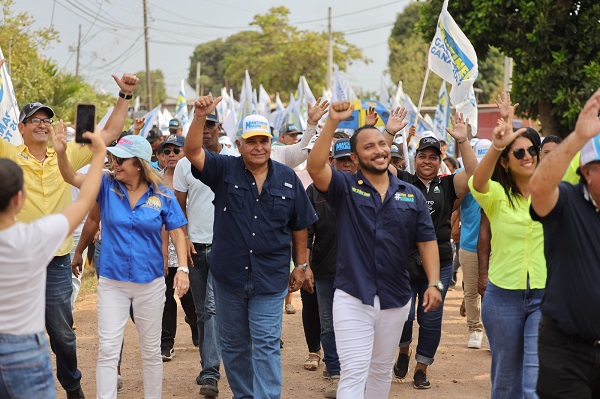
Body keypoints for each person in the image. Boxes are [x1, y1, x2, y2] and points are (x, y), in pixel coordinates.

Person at [0, 72, 138, 399]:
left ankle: (72, 386)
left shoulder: (66, 151)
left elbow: (109, 133)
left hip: (57, 257)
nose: (42, 124)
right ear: (20, 128)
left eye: (46, 120)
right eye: (33, 120)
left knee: (61, 331)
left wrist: (124, 96)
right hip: (16, 259)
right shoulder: (7, 154)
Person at [184, 95, 318, 398]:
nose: (259, 147)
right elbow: (192, 151)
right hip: (228, 277)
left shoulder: (287, 178)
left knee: (267, 342)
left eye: (264, 141)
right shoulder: (223, 169)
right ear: (239, 144)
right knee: (233, 344)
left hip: (270, 279)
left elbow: (300, 224)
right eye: (251, 141)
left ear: (271, 143)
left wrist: (301, 264)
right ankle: (244, 395)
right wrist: (200, 116)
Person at [307, 101, 441, 398]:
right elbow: (315, 167)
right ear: (354, 157)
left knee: (381, 371)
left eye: (382, 144)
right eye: (369, 147)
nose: (379, 150)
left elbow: (427, 240)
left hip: (396, 299)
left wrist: (434, 282)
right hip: (353, 296)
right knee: (354, 371)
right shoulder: (344, 187)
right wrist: (330, 122)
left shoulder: (411, 195)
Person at [57, 133, 189, 399]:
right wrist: (61, 152)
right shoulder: (105, 185)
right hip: (112, 282)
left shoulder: (162, 192)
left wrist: (183, 269)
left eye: (121, 160)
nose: (115, 164)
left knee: (151, 350)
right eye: (114, 158)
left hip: (150, 283)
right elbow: (72, 177)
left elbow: (177, 231)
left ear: (139, 164)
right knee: (108, 348)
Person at [0, 128, 104, 399]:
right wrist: (101, 153)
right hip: (24, 351)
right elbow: (84, 201)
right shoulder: (36, 237)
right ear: (20, 198)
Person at [386, 112, 478, 389]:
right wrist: (389, 133)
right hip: (401, 261)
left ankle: (422, 368)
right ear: (415, 159)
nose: (427, 161)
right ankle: (403, 351)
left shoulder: (449, 184)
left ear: (439, 160)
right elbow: (372, 164)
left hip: (438, 262)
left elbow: (474, 173)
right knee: (401, 315)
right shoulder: (400, 181)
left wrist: (463, 141)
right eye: (422, 156)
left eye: (433, 156)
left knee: (431, 320)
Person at [469, 92, 545, 399]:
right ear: (505, 161)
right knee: (505, 382)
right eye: (518, 153)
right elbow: (477, 183)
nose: (527, 155)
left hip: (544, 296)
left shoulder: (552, 193)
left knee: (534, 382)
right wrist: (498, 142)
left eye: (532, 150)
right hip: (502, 299)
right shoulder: (497, 195)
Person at [529, 88, 600, 398]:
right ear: (586, 172)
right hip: (566, 351)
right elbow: (539, 188)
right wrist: (578, 138)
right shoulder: (568, 202)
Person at [173, 107, 238, 397]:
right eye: (203, 125)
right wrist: (183, 237)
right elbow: (178, 207)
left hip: (225, 247)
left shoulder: (234, 160)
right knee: (200, 312)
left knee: (211, 308)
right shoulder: (184, 165)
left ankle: (211, 372)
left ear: (220, 127)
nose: (208, 129)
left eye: (212, 124)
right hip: (195, 248)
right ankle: (207, 363)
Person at [306, 137, 357, 398]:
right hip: (325, 270)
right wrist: (305, 266)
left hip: (358, 274)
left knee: (357, 324)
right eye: (341, 160)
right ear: (331, 162)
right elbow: (305, 233)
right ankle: (336, 373)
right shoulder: (314, 191)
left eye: (350, 159)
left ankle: (354, 374)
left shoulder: (366, 188)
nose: (346, 165)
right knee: (328, 324)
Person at [156, 134, 199, 361]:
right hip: (162, 247)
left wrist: (189, 239)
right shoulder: (154, 181)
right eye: (167, 151)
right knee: (165, 295)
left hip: (188, 245)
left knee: (188, 295)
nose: (171, 155)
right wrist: (162, 251)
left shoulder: (195, 178)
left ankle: (195, 326)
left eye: (176, 150)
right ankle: (166, 343)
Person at [457, 138, 492, 349]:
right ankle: (475, 329)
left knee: (493, 292)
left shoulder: (500, 181)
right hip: (469, 243)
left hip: (498, 246)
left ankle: (490, 333)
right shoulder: (464, 178)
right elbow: (453, 203)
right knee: (471, 291)